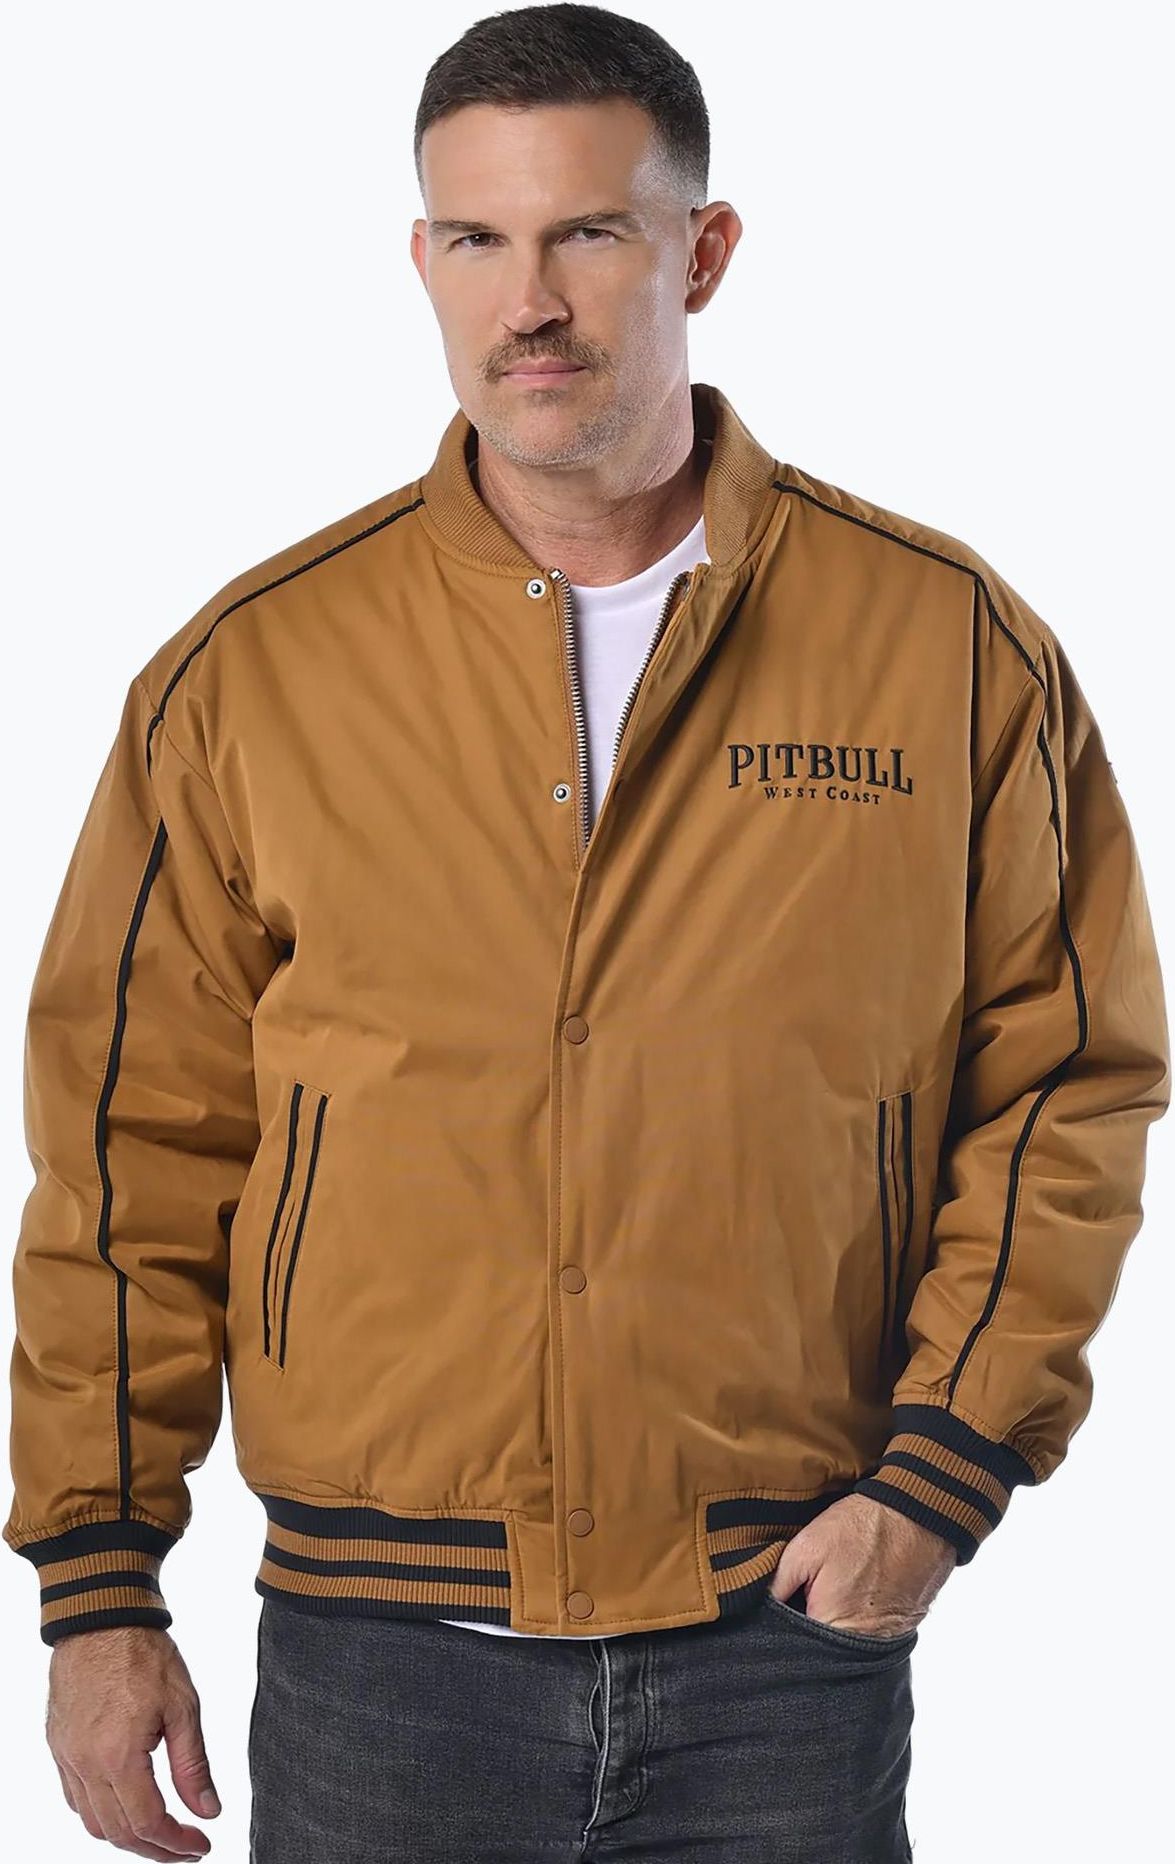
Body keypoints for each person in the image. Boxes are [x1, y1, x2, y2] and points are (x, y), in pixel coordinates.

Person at [5, 6, 1169, 1861]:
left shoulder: (946, 649)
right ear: (422, 260)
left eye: (587, 233)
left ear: (702, 250)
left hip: (788, 1636)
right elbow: (127, 1148)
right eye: (478, 239)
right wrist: (98, 1585)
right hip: (380, 1661)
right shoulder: (254, 675)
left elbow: (1067, 1087)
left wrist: (939, 1482)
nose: (528, 301)